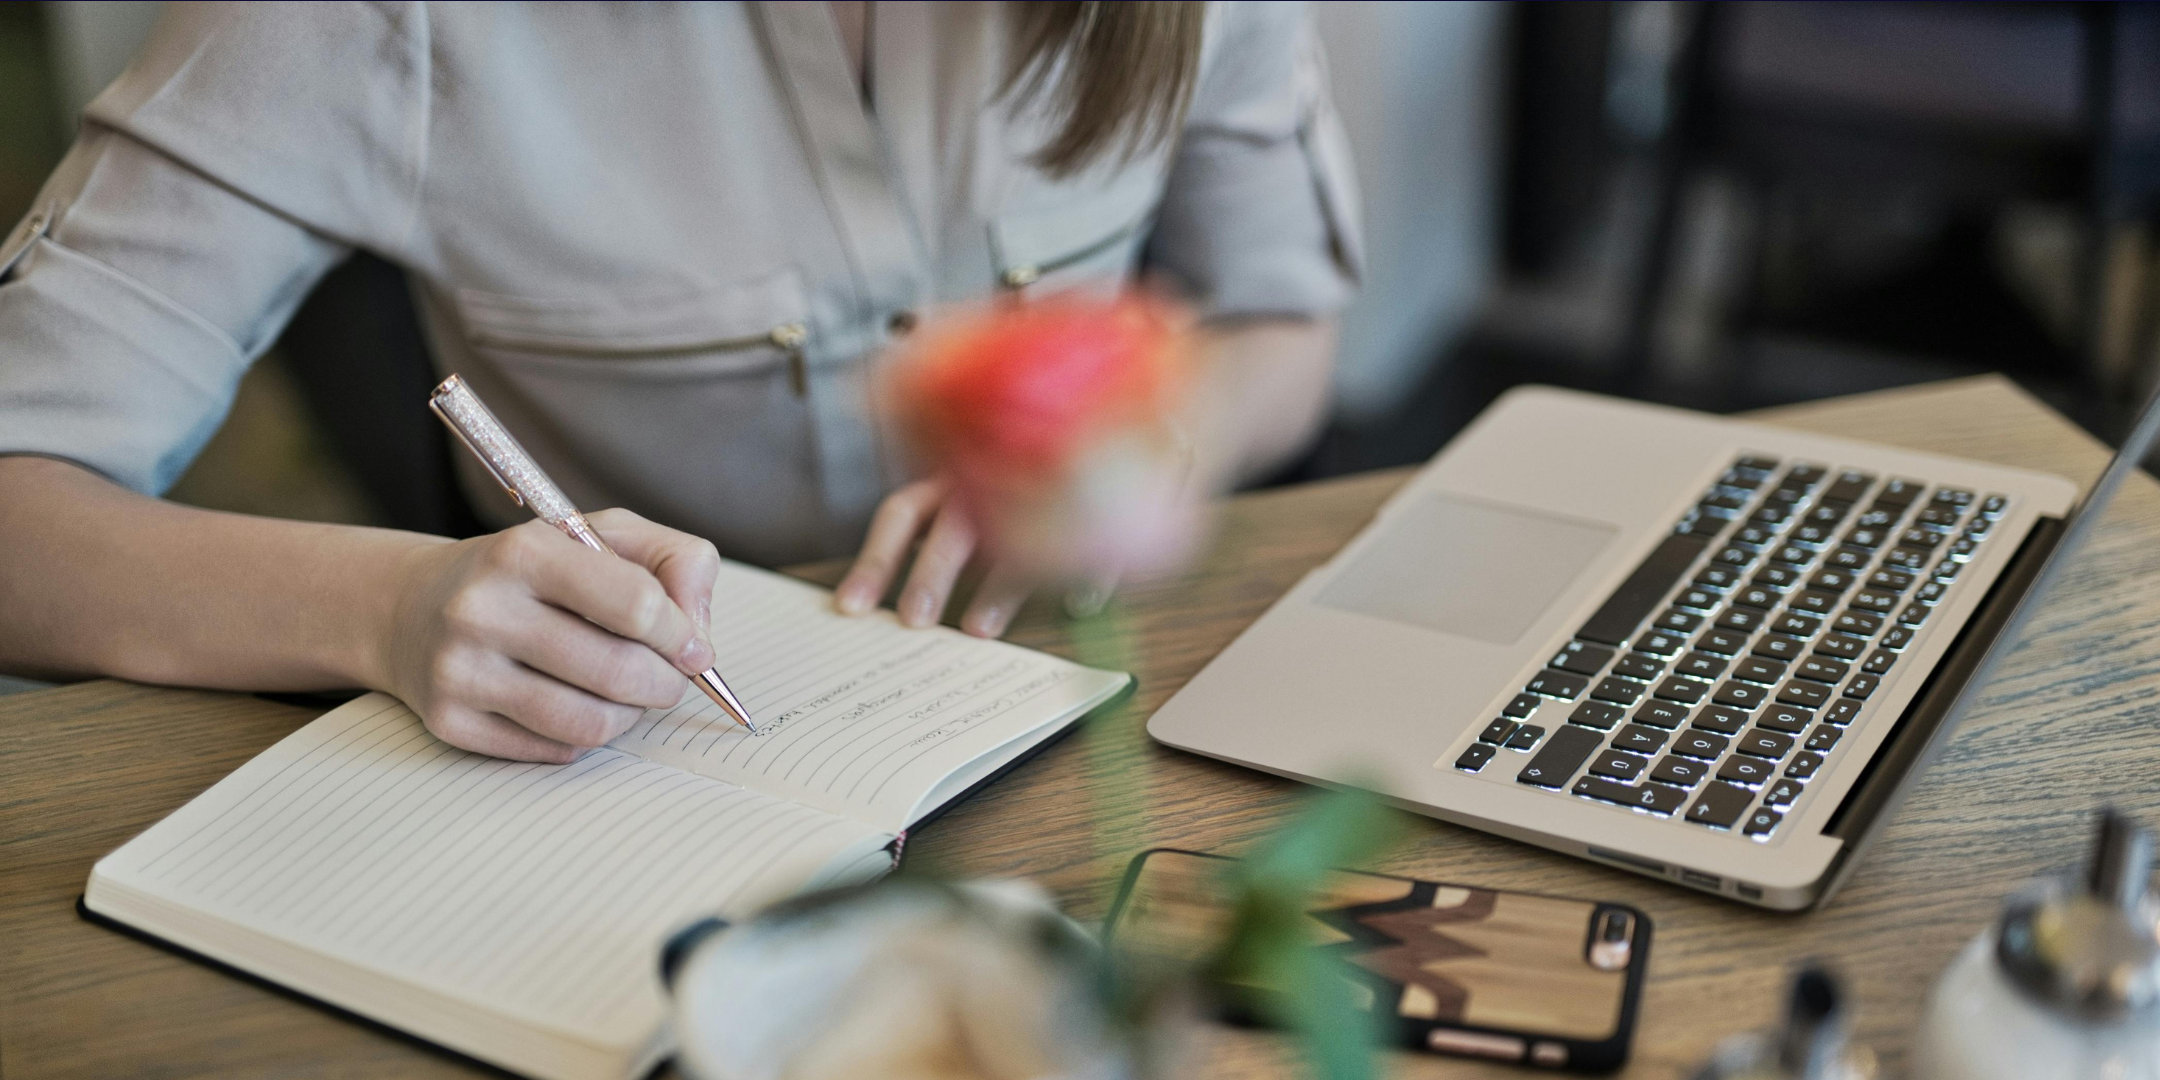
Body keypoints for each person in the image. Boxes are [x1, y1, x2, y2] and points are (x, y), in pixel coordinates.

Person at [0, 1, 1361, 762]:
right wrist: (390, 605)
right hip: (636, 764)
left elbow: (1285, 325)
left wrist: (1162, 438)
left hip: (1098, 712)